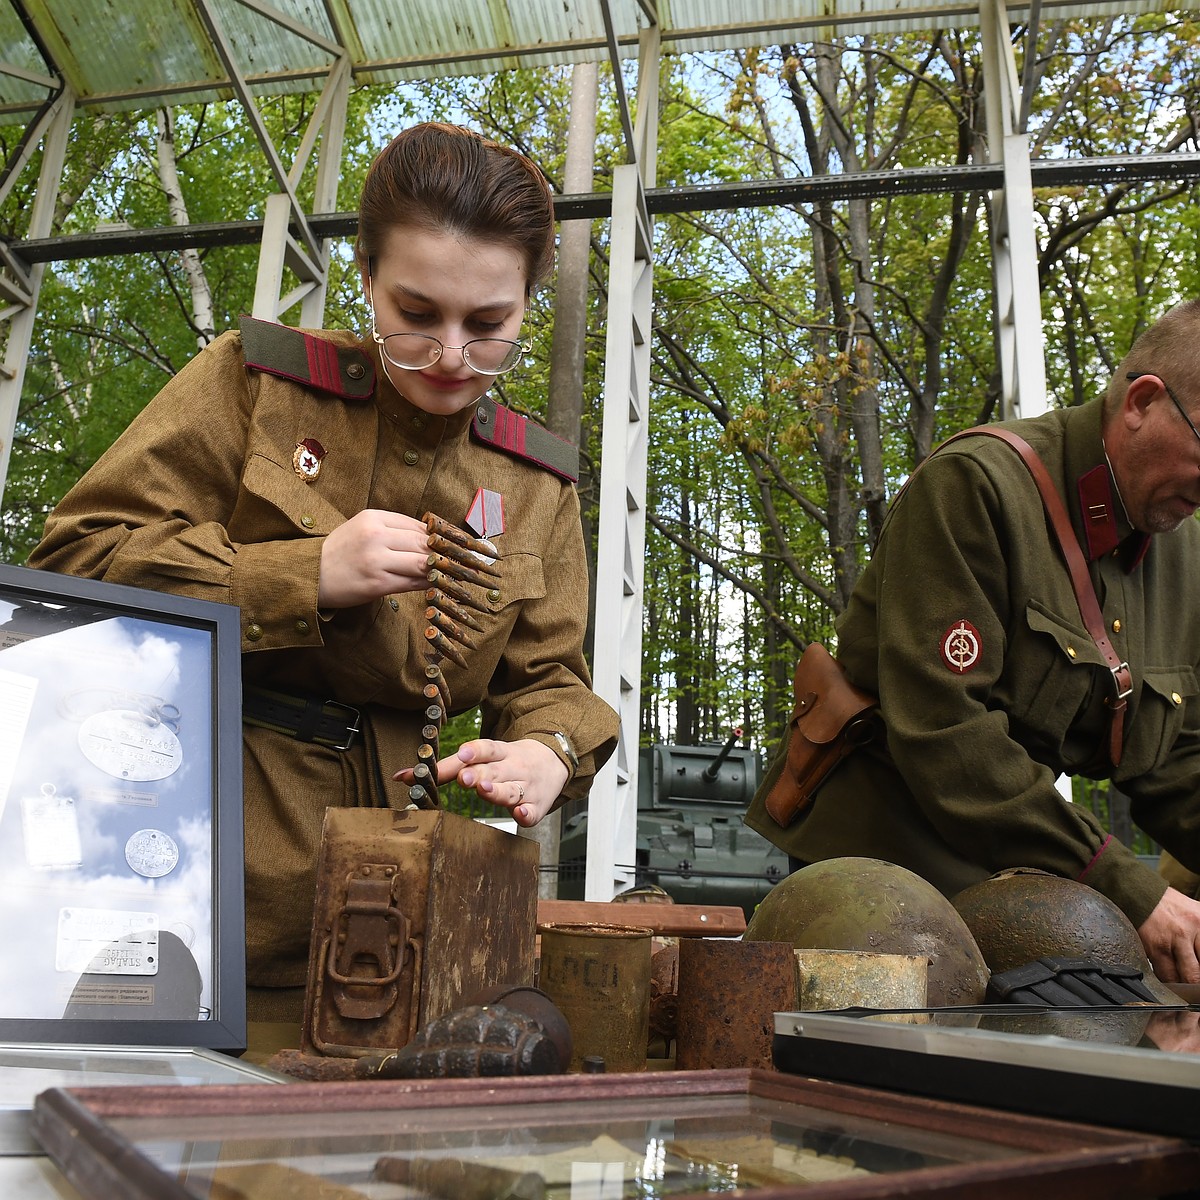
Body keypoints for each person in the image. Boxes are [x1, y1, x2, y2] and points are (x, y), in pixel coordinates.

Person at [28, 122, 619, 1024]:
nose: (451, 356)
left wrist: (547, 750)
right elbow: (76, 558)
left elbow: (549, 680)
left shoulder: (535, 484)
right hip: (183, 880)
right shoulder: (258, 387)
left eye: (489, 325)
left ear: (531, 300)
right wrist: (302, 574)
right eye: (415, 315)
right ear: (367, 276)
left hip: (396, 926)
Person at [746, 301, 1200, 986]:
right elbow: (946, 733)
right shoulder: (979, 486)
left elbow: (1173, 759)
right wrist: (1131, 890)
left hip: (1018, 874)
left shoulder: (1181, 549)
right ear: (1142, 401)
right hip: (878, 878)